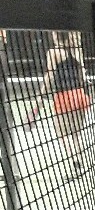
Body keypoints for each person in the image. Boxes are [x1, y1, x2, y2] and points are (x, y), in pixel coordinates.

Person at [28, 30, 90, 175]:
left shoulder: (54, 52)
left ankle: (75, 164)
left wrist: (40, 97)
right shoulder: (77, 50)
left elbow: (49, 76)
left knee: (62, 135)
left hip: (64, 97)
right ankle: (81, 163)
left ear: (56, 35)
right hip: (80, 95)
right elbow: (82, 76)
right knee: (76, 134)